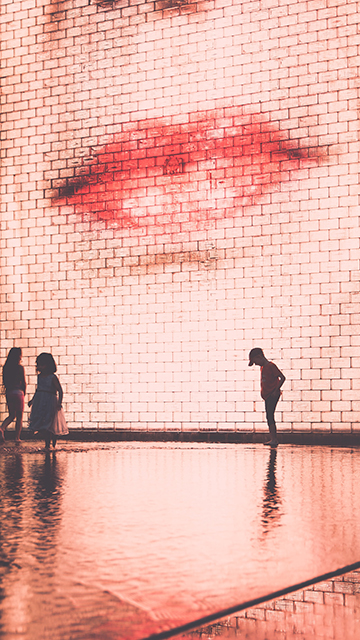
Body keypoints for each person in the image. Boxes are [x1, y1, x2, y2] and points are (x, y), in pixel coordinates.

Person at [28, 353, 68, 449]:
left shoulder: (52, 377)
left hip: (50, 401)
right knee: (41, 420)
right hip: (40, 401)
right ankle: (46, 441)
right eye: (38, 364)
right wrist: (32, 400)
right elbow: (38, 389)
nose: (39, 367)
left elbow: (60, 390)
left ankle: (51, 443)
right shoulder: (39, 377)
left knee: (50, 422)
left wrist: (59, 403)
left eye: (41, 364)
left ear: (48, 365)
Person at [249, 348, 286, 448]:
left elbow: (282, 378)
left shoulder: (271, 366)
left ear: (259, 357)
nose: (255, 364)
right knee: (269, 416)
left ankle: (274, 439)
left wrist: (276, 390)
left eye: (255, 361)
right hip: (267, 395)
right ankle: (273, 438)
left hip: (272, 394)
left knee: (270, 415)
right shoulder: (263, 367)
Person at [0, 347, 26, 443]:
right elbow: (23, 382)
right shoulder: (20, 368)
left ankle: (2, 428)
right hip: (19, 393)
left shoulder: (6, 367)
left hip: (9, 392)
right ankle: (17, 438)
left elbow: (5, 382)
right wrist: (24, 392)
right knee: (19, 417)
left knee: (11, 415)